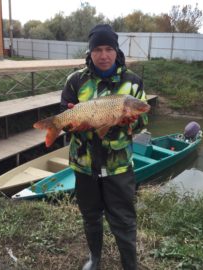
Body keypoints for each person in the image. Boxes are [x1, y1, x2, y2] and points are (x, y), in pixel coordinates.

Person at [60, 24, 148, 270]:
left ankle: (130, 265)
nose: (103, 55)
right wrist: (70, 124)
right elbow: (64, 116)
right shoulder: (75, 81)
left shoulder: (133, 82)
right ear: (90, 52)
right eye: (97, 49)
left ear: (116, 50)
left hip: (118, 166)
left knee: (124, 219)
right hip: (84, 164)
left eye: (109, 48)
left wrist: (134, 119)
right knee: (90, 216)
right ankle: (95, 259)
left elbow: (143, 120)